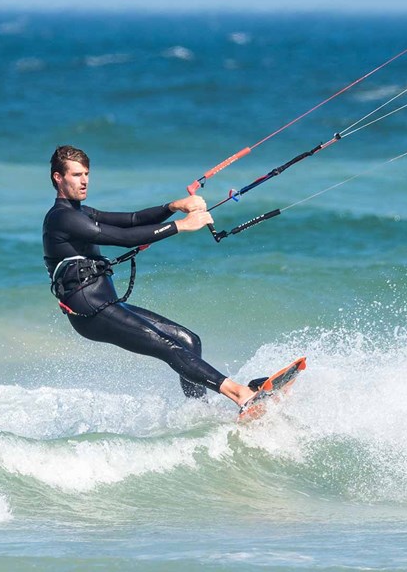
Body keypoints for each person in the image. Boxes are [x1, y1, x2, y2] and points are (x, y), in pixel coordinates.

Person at [43, 145, 267, 411]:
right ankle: (240, 394)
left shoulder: (81, 211)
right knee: (168, 346)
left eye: (87, 174)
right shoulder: (61, 218)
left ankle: (199, 411)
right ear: (58, 177)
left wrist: (173, 206)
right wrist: (181, 226)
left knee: (188, 341)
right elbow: (122, 238)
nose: (84, 181)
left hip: (105, 303)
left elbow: (132, 220)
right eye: (77, 175)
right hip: (89, 310)